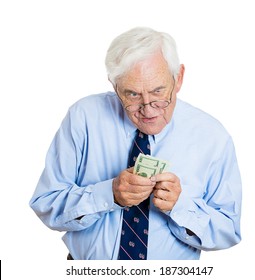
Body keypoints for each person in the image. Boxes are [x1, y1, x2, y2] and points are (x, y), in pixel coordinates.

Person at [29, 27, 242, 260]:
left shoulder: (213, 137)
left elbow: (228, 230)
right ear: (114, 84)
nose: (148, 109)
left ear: (178, 78)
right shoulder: (84, 117)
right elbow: (46, 203)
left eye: (158, 92)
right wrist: (108, 194)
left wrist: (179, 207)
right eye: (132, 95)